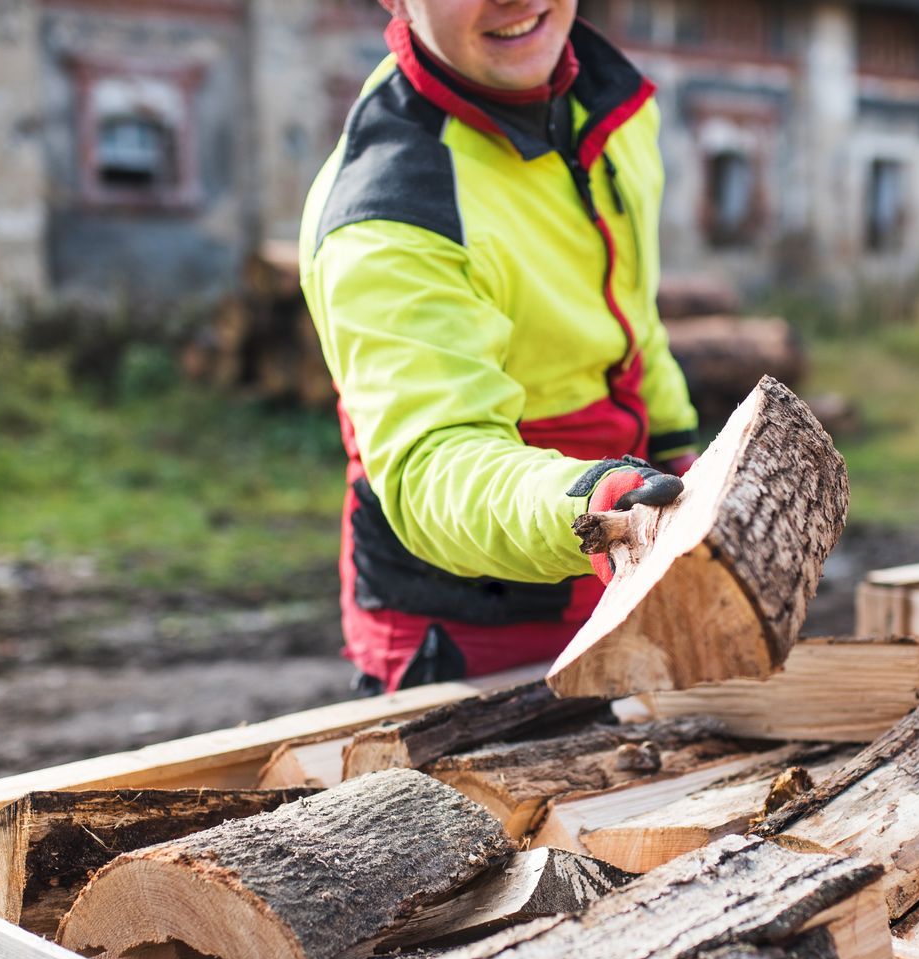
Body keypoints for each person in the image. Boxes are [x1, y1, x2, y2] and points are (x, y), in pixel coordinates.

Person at [299, 0, 699, 693]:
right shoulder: (388, 209)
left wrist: (680, 452)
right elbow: (436, 464)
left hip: (619, 583)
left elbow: (634, 319)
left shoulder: (611, 101)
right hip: (467, 639)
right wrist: (594, 505)